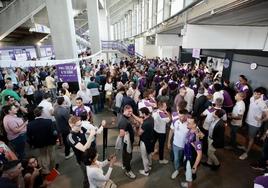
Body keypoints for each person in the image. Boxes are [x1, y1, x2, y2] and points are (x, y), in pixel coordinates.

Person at [27, 106, 57, 175]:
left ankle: (46, 170)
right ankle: (53, 169)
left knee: (43, 156)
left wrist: (33, 144)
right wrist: (55, 139)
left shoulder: (30, 124)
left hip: (39, 143)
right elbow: (54, 133)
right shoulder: (48, 121)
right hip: (50, 142)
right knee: (52, 155)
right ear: (42, 113)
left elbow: (29, 136)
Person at [239, 87, 268, 160]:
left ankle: (246, 153)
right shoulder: (251, 98)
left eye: (258, 94)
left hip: (254, 124)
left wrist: (261, 120)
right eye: (255, 93)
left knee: (251, 138)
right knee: (246, 135)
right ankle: (245, 147)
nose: (256, 95)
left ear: (262, 95)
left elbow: (267, 116)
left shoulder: (262, 103)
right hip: (248, 120)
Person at [67, 116, 96, 188]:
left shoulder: (81, 128)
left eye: (81, 124)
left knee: (92, 172)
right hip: (82, 159)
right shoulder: (71, 137)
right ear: (71, 125)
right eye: (78, 125)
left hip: (89, 155)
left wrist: (94, 130)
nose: (80, 126)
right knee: (87, 176)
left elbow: (90, 132)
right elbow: (83, 148)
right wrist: (91, 136)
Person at [181, 117, 203, 188]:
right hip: (186, 155)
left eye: (189, 123)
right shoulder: (191, 129)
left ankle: (189, 186)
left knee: (189, 176)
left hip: (191, 159)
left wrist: (194, 166)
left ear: (194, 125)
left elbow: (199, 154)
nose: (187, 123)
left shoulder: (196, 137)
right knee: (187, 173)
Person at [167, 109, 189, 179]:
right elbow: (171, 131)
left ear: (186, 116)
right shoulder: (175, 121)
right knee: (176, 159)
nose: (180, 118)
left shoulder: (190, 122)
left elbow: (199, 134)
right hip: (176, 145)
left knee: (185, 160)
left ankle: (186, 171)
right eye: (179, 116)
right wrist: (168, 142)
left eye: (182, 117)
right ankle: (177, 170)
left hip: (186, 146)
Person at [118, 105, 136, 179]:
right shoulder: (123, 121)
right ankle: (128, 171)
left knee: (126, 154)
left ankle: (124, 164)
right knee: (128, 156)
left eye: (131, 111)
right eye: (129, 111)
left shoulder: (126, 118)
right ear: (124, 111)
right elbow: (121, 133)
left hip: (128, 141)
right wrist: (127, 133)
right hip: (127, 142)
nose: (130, 113)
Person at [138, 107, 154, 176]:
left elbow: (139, 133)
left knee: (144, 156)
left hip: (145, 141)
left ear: (144, 114)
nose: (140, 114)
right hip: (150, 140)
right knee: (149, 153)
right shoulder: (151, 118)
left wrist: (140, 124)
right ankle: (149, 165)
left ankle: (146, 171)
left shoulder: (145, 123)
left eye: (141, 113)